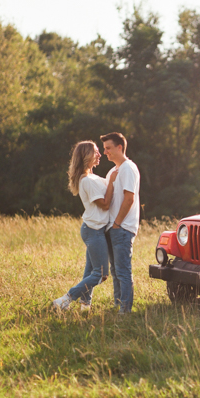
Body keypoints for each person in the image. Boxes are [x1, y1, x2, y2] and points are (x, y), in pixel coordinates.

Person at [52, 141, 117, 311]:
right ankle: (66, 299)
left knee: (90, 273)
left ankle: (85, 305)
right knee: (101, 274)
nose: (99, 154)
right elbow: (104, 204)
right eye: (96, 152)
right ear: (86, 155)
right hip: (93, 231)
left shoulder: (93, 177)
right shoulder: (86, 181)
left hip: (96, 231)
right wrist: (112, 183)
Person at [101, 132, 141, 314]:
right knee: (115, 270)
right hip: (111, 228)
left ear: (119, 147)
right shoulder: (112, 171)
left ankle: (125, 311)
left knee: (123, 271)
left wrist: (117, 223)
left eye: (108, 148)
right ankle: (118, 305)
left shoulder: (128, 168)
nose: (105, 152)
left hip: (122, 228)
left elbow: (129, 199)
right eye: (104, 149)